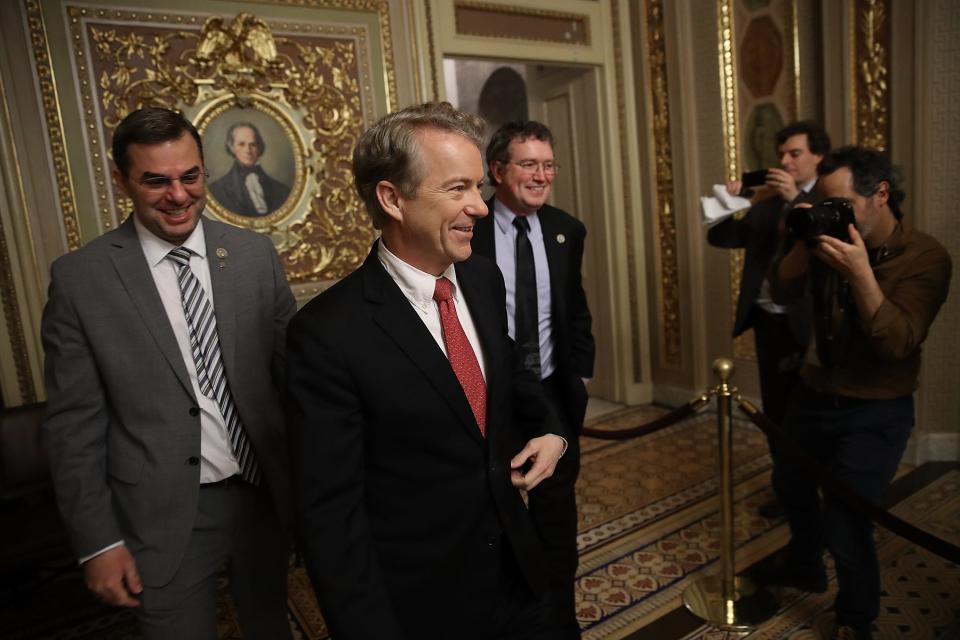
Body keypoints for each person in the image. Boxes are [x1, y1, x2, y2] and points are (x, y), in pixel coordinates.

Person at [286, 102, 569, 640]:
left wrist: (552, 430)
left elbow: (512, 369)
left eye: (479, 187)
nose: (481, 208)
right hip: (425, 603)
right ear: (392, 198)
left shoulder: (481, 280)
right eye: (457, 189)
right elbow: (331, 518)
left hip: (521, 574)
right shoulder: (327, 335)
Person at [42, 107, 296, 639]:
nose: (178, 196)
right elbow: (73, 429)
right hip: (162, 512)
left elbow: (296, 380)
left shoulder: (253, 256)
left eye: (190, 176)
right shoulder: (80, 279)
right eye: (155, 181)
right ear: (121, 180)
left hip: (263, 496)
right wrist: (99, 542)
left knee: (272, 624)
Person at [766, 146, 951, 640]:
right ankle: (804, 565)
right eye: (826, 204)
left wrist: (860, 272)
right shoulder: (828, 240)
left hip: (876, 409)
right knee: (793, 488)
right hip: (813, 394)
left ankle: (855, 617)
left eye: (841, 204)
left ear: (880, 194)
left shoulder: (925, 256)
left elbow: (896, 341)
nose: (833, 214)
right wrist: (806, 238)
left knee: (847, 520)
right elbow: (781, 294)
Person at [472, 120, 595, 638]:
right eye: (529, 164)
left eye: (548, 165)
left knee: (555, 515)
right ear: (497, 170)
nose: (541, 175)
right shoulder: (466, 228)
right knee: (489, 512)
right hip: (488, 397)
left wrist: (582, 377)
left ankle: (559, 622)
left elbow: (574, 312)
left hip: (552, 395)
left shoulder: (567, 229)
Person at [707, 121, 830, 518]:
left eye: (795, 153)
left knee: (814, 415)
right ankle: (788, 492)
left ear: (818, 157)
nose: (785, 161)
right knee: (776, 414)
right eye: (781, 155)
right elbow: (721, 238)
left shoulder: (830, 199)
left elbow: (821, 242)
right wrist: (731, 200)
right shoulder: (765, 206)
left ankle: (822, 496)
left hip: (811, 327)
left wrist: (796, 200)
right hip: (768, 323)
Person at [209, 121, 291, 216]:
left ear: (259, 147)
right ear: (231, 147)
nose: (248, 150)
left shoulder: (282, 191)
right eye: (241, 144)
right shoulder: (217, 190)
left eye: (253, 144)